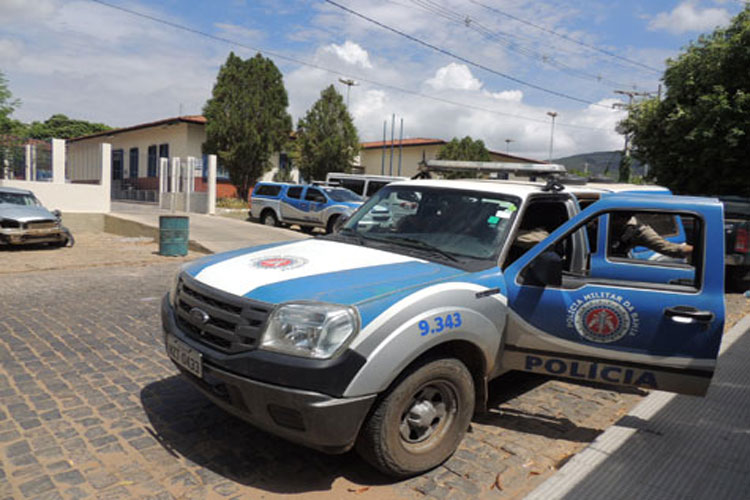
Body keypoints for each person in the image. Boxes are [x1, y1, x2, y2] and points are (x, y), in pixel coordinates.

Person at [610, 213, 693, 259]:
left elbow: (668, 248)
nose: (615, 221)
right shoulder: (601, 215)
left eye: (618, 218)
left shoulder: (638, 230)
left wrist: (699, 251)